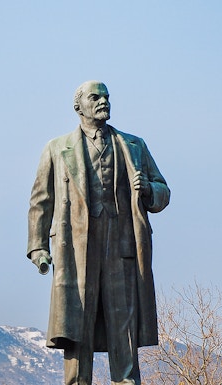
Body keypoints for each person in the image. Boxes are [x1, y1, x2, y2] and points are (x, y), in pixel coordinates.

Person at [27, 81, 170, 385]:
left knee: (124, 325)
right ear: (78, 106)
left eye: (106, 96)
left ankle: (127, 381)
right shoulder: (56, 149)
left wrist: (147, 189)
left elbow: (163, 191)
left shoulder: (134, 146)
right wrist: (38, 246)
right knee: (77, 323)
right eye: (95, 97)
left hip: (123, 248)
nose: (103, 101)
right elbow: (41, 200)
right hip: (76, 250)